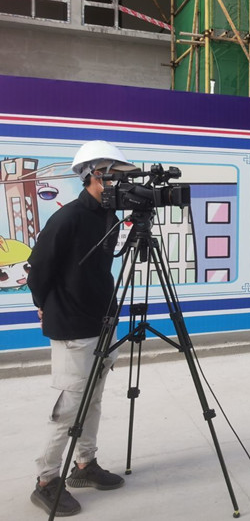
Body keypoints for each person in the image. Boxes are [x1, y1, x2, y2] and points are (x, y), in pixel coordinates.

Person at [27, 140, 137, 516]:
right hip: (72, 324)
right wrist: (43, 304)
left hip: (102, 320)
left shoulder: (109, 215)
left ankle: (84, 464)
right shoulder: (68, 218)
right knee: (70, 407)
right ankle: (46, 480)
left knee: (94, 399)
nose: (121, 184)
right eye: (115, 176)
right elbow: (38, 270)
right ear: (94, 176)